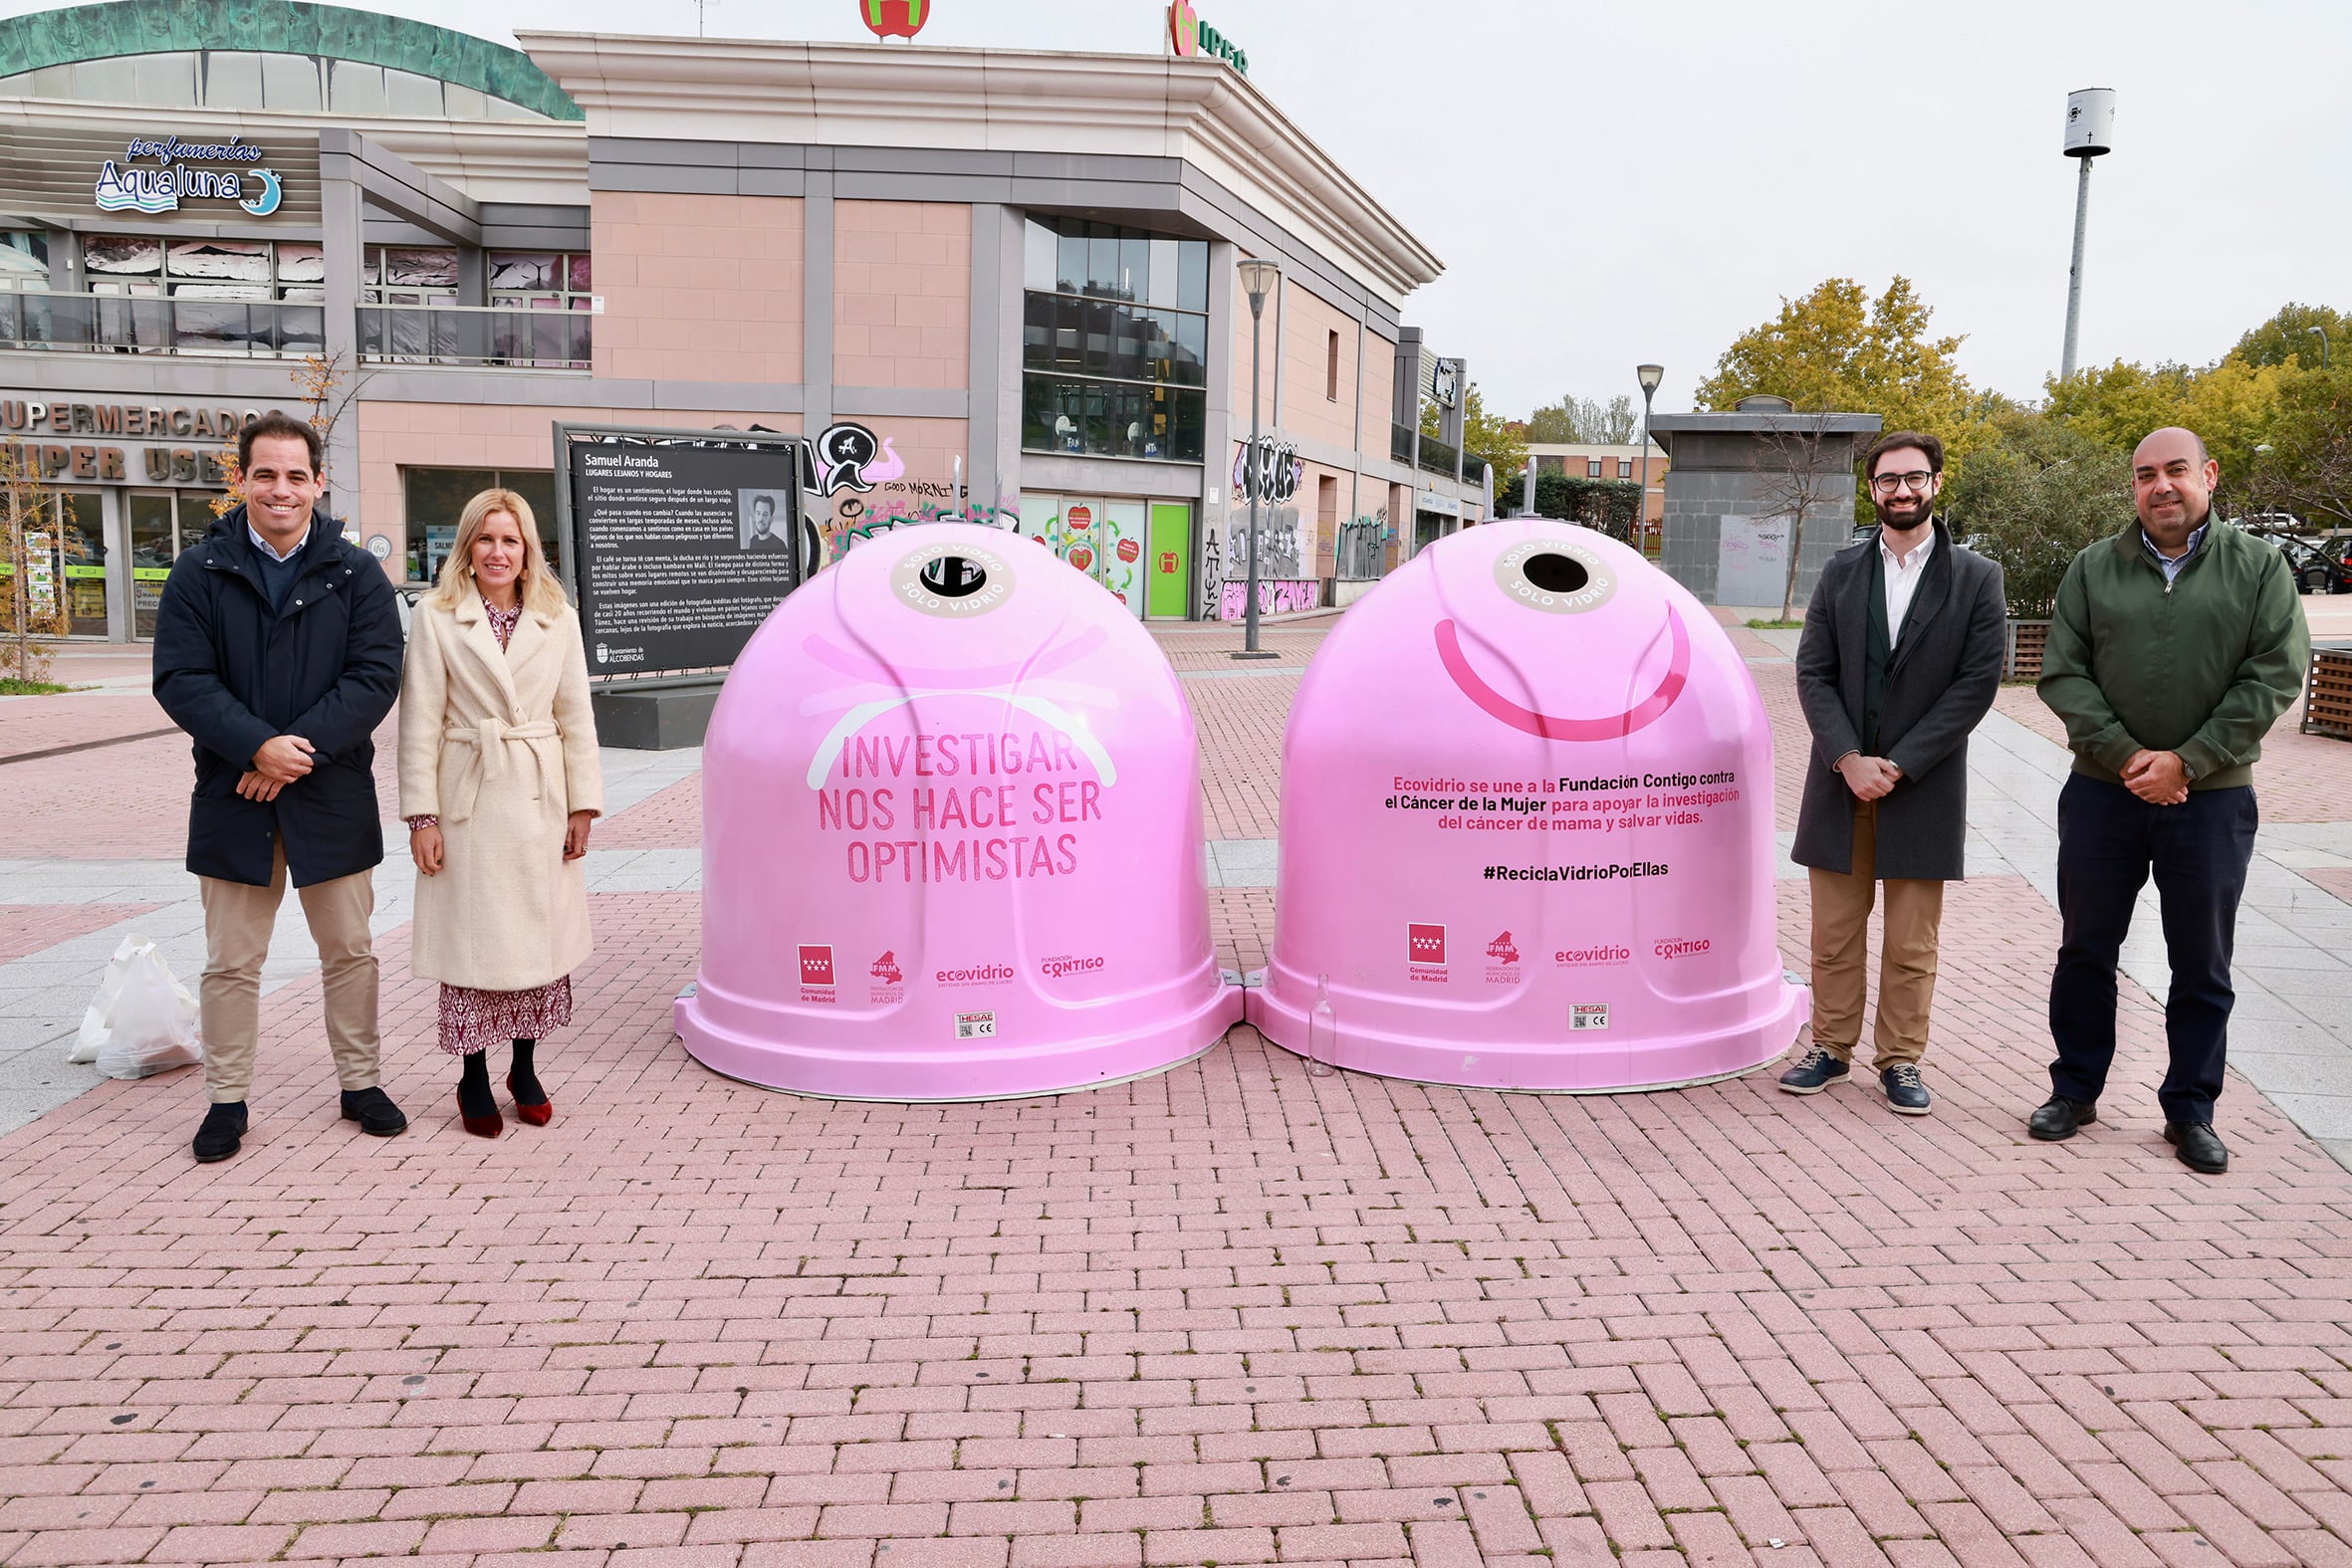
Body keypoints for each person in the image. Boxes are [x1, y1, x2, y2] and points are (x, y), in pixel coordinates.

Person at [2031, 427, 2307, 1174]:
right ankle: (2076, 1088)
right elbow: (2064, 674)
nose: (2161, 486)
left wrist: (2188, 761)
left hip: (2212, 801)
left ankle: (2190, 1110)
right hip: (2102, 794)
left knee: (2201, 961)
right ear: (2133, 487)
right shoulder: (2095, 568)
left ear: (2208, 476)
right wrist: (2128, 757)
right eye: (2145, 474)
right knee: (2086, 948)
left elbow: (2274, 675)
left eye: (2176, 471)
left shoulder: (2258, 567)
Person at [152, 411, 406, 1163]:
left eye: (296, 474)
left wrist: (295, 751)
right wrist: (254, 748)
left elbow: (375, 675)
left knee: (351, 949)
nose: (281, 488)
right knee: (231, 959)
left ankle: (360, 1083)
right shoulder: (198, 571)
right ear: (241, 480)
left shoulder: (357, 572)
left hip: (328, 790)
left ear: (319, 481)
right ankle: (226, 1100)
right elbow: (181, 678)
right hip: (235, 791)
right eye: (265, 473)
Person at [1781, 430, 2006, 1115]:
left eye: (1914, 478)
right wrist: (1848, 758)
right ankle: (1830, 1046)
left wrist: (1901, 764)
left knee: (1912, 942)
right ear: (1872, 489)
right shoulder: (1840, 573)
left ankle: (1901, 1058)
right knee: (1834, 935)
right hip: (1841, 781)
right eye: (1887, 480)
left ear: (1936, 482)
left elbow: (1976, 684)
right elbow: (1813, 672)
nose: (1901, 490)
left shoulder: (1976, 577)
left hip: (1924, 786)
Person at [399, 488, 603, 1137]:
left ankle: (524, 1065)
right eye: (485, 538)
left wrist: (584, 806)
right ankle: (472, 1076)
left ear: (527, 551)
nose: (497, 551)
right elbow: (420, 722)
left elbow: (577, 717)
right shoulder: (437, 615)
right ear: (468, 546)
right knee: (473, 947)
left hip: (540, 798)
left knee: (534, 949)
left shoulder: (556, 615)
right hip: (470, 799)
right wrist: (422, 816)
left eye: (510, 540)